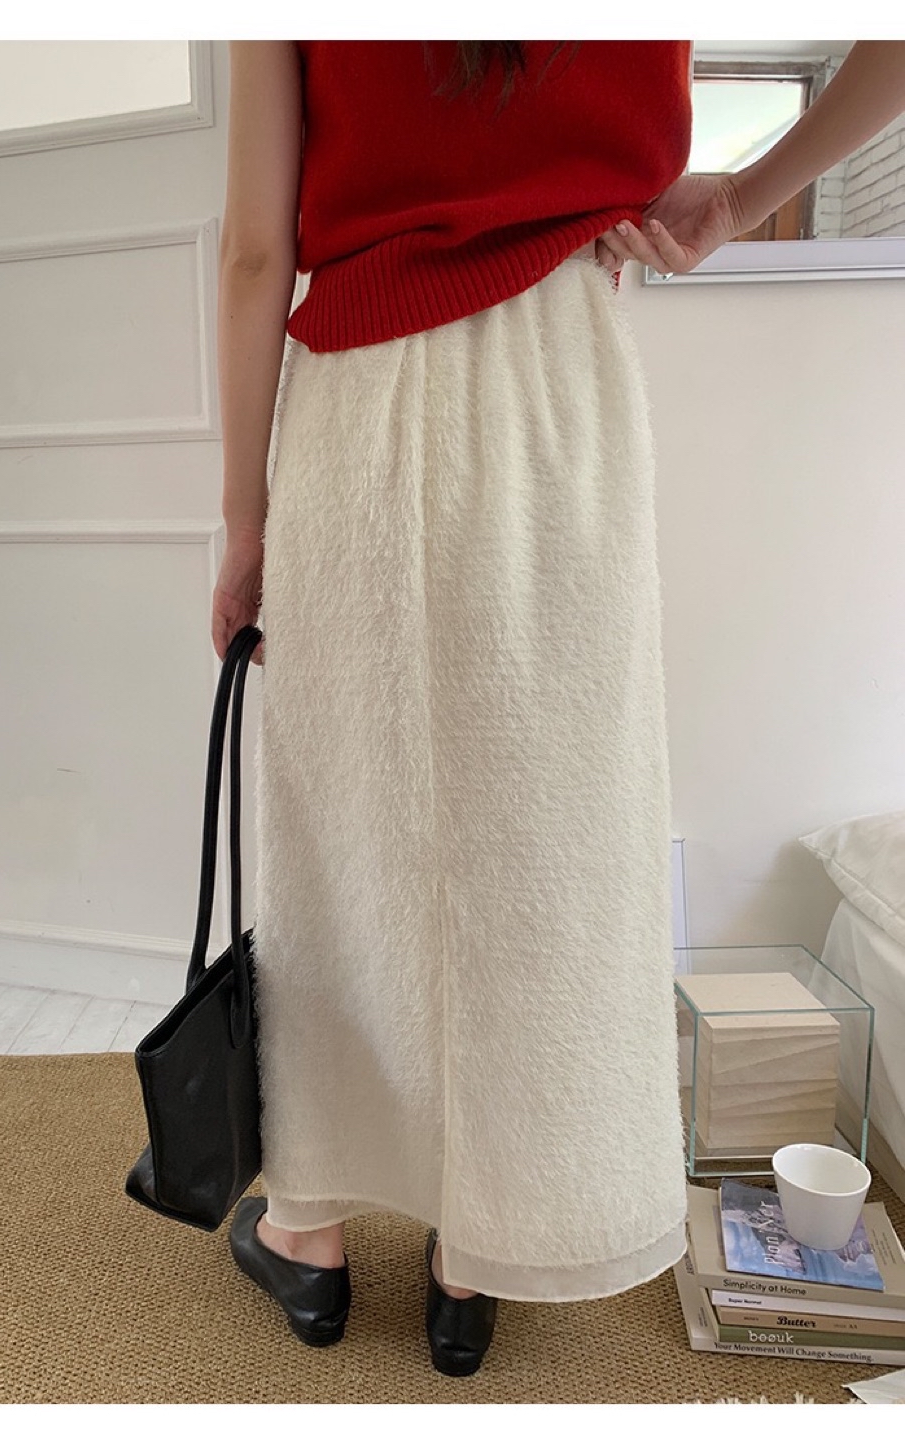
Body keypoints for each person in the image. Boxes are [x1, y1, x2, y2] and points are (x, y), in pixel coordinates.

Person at [213, 39, 905, 1376]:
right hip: (562, 395)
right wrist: (741, 195)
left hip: (355, 405)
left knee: (342, 830)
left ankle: (310, 1233)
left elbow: (255, 252)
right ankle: (481, 1255)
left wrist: (245, 523)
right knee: (547, 844)